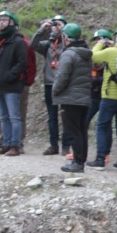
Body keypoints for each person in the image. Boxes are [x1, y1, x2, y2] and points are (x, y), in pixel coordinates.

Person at [88, 24, 117, 170]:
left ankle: (100, 159)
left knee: (102, 126)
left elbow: (93, 56)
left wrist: (101, 44)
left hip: (109, 96)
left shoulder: (110, 52)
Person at [0, 10, 28, 156]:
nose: (1, 22)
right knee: (3, 116)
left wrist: (9, 76)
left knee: (14, 116)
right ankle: (6, 144)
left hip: (12, 85)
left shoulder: (18, 41)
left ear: (12, 23)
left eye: (4, 20)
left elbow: (22, 63)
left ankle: (15, 145)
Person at [51, 24, 92, 173]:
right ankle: (80, 161)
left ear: (65, 37)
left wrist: (55, 90)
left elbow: (62, 77)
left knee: (73, 131)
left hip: (70, 98)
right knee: (81, 130)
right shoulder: (85, 53)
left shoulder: (68, 54)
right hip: (83, 98)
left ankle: (77, 163)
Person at [31, 15, 70, 156]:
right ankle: (54, 145)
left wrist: (63, 31)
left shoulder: (68, 44)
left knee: (66, 116)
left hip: (65, 84)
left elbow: (69, 46)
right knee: (52, 116)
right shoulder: (48, 44)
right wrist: (42, 30)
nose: (55, 27)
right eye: (54, 24)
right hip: (49, 83)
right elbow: (33, 45)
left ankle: (66, 146)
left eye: (58, 24)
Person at [86, 29, 112, 131]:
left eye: (99, 40)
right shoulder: (92, 55)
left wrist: (96, 80)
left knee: (105, 124)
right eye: (96, 40)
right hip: (93, 94)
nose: (97, 42)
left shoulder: (111, 54)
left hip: (106, 95)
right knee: (84, 121)